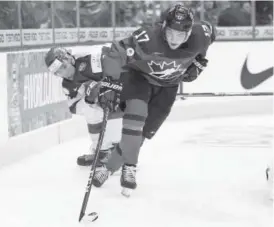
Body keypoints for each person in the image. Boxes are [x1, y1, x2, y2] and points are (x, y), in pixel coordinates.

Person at [45, 4, 215, 196]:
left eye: (180, 34)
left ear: (190, 32)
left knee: (141, 135)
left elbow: (210, 35)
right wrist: (108, 83)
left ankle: (108, 167)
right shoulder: (148, 37)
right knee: (134, 124)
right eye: (170, 32)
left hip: (167, 88)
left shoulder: (201, 35)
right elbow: (116, 52)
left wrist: (199, 61)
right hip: (140, 80)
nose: (174, 39)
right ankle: (120, 161)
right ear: (163, 26)